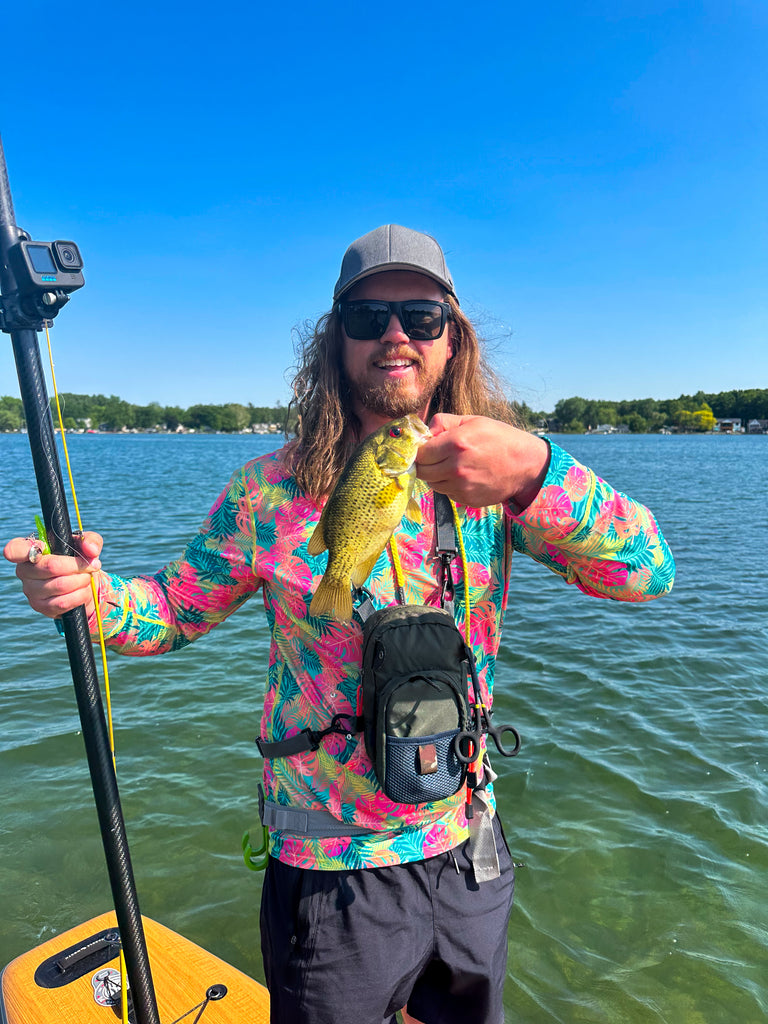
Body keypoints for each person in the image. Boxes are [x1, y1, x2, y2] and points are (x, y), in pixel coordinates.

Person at [4, 224, 675, 1024]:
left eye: (421, 318)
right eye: (367, 318)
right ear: (335, 342)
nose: (395, 335)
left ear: (452, 339)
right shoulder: (266, 491)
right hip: (329, 871)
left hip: (468, 849)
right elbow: (173, 612)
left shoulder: (495, 475)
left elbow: (647, 573)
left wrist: (537, 471)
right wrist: (85, 593)